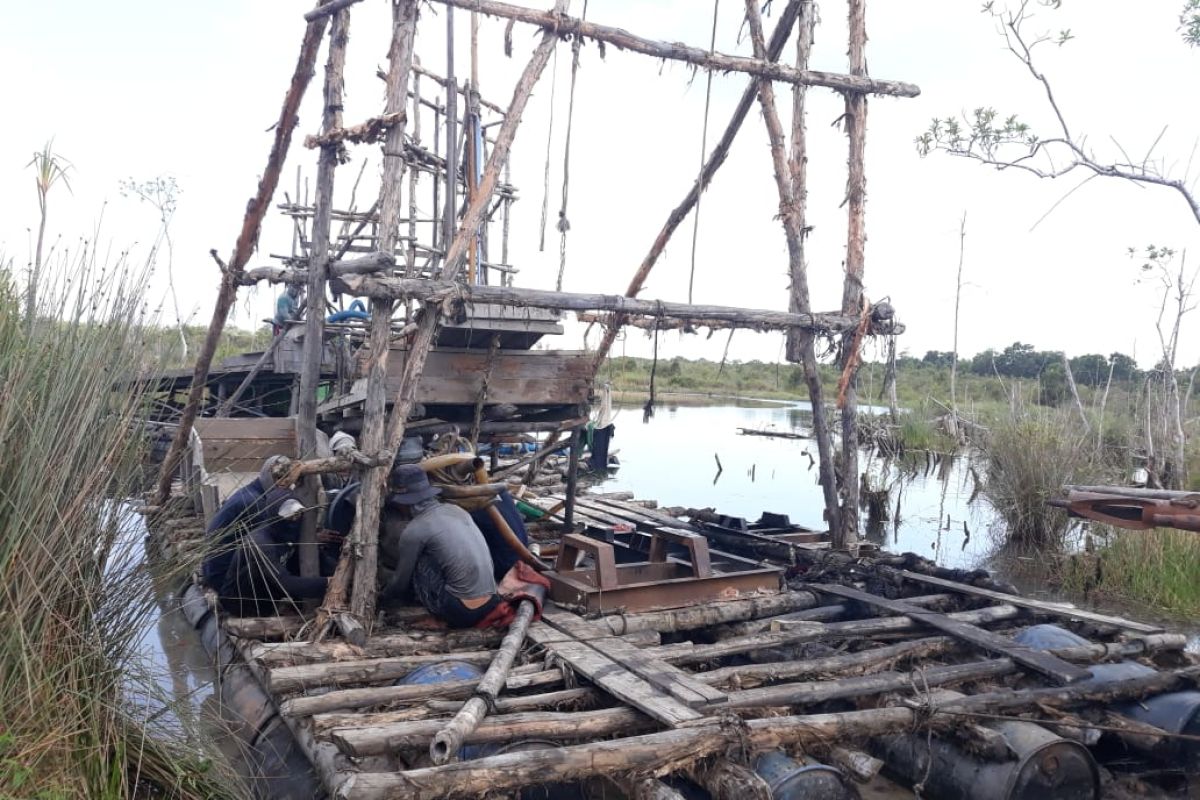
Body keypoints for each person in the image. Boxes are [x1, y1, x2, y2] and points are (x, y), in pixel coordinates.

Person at [380, 464, 503, 628]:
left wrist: (383, 596)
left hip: (462, 611)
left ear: (403, 503)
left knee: (420, 563)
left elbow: (401, 583)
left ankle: (443, 617)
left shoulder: (415, 530)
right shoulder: (457, 510)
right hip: (491, 601)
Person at [218, 497, 329, 617]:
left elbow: (321, 560)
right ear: (274, 517)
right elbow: (285, 583)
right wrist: (328, 583)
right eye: (288, 517)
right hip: (242, 603)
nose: (294, 520)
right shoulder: (261, 543)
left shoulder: (291, 532)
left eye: (297, 515)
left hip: (268, 591)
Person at [201, 455, 293, 589]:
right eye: (278, 478)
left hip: (212, 568)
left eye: (287, 479)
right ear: (267, 475)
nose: (283, 484)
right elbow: (280, 537)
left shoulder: (251, 492)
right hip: (222, 577)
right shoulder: (255, 503)